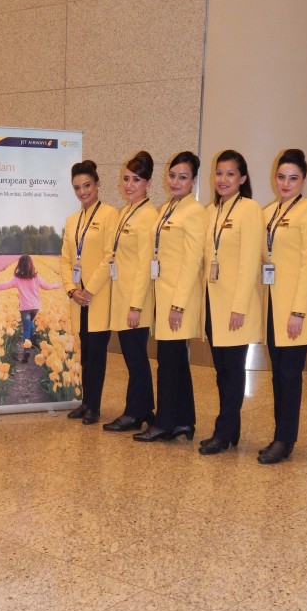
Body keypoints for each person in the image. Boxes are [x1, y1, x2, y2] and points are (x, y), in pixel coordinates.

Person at [134, 151, 207, 443]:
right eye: (173, 175)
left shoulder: (194, 212)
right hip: (163, 297)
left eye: (183, 177)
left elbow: (192, 263)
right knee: (176, 362)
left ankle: (164, 423)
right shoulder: (167, 208)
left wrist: (178, 305)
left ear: (193, 181)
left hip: (179, 301)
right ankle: (184, 421)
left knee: (168, 361)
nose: (176, 181)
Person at [258, 149, 307, 464]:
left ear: (304, 180)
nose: (285, 183)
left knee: (289, 373)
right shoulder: (269, 211)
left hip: (299, 307)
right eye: (281, 177)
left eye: (293, 178)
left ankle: (286, 439)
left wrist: (298, 312)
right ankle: (278, 435)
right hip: (274, 304)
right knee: (277, 375)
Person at [199, 150, 263, 455]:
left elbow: (251, 261)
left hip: (236, 306)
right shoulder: (211, 211)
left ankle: (223, 432)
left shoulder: (249, 210)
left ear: (243, 179)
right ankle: (231, 430)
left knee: (233, 369)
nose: (223, 179)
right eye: (219, 173)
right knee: (221, 370)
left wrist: (239, 306)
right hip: (213, 303)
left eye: (230, 174)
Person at [104, 151, 158, 431]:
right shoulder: (124, 212)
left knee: (136, 357)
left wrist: (136, 306)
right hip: (122, 296)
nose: (129, 184)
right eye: (126, 178)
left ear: (148, 183)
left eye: (136, 179)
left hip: (135, 301)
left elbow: (144, 265)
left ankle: (134, 412)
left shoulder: (149, 216)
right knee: (133, 357)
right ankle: (145, 408)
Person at [60, 159, 117, 424]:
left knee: (97, 354)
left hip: (98, 297)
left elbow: (110, 257)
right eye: (77, 188)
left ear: (97, 184)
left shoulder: (109, 215)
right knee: (85, 354)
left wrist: (89, 289)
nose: (83, 192)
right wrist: (73, 290)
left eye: (87, 186)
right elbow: (65, 259)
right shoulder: (72, 220)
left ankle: (95, 406)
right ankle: (85, 402)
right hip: (78, 299)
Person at [0, 254, 61, 362]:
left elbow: (3, 286)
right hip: (35, 307)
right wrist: (58, 285)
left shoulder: (17, 279)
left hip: (25, 308)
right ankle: (34, 334)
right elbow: (47, 287)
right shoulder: (36, 277)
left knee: (26, 330)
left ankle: (26, 351)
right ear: (31, 265)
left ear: (20, 265)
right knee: (31, 321)